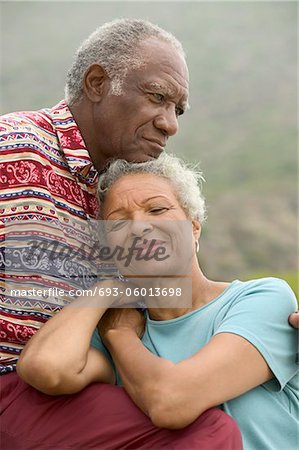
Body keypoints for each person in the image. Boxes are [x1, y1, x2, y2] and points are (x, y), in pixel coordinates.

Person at [0, 19, 242, 450]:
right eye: (157, 98)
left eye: (178, 109)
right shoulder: (13, 146)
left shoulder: (120, 190)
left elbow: (168, 297)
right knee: (205, 433)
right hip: (16, 385)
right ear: (97, 83)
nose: (171, 124)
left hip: (77, 382)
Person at [17, 153, 298, 450]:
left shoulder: (259, 299)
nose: (138, 228)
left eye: (157, 209)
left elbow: (172, 401)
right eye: (119, 222)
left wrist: (120, 336)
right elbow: (45, 368)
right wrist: (108, 289)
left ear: (194, 226)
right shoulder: (124, 327)